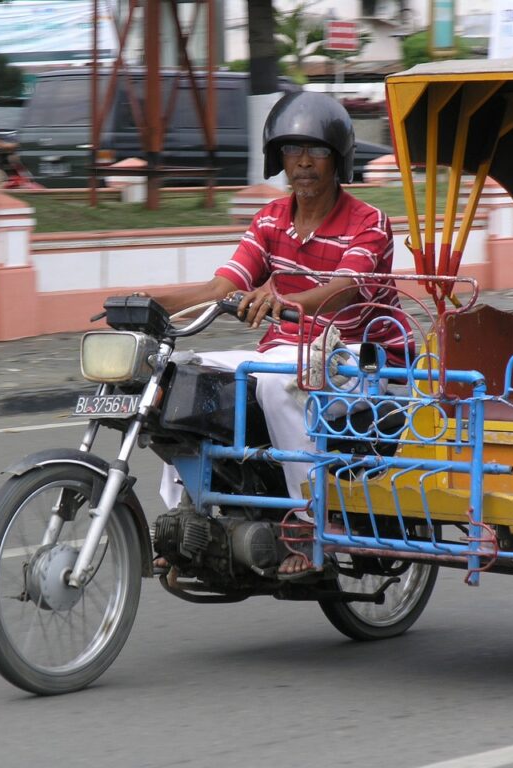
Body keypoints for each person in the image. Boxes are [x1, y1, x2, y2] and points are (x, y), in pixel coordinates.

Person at [134, 91, 410, 576]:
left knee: (273, 383)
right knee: (180, 378)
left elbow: (344, 289)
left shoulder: (369, 222)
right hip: (290, 354)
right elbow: (222, 287)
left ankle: (306, 522)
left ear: (338, 158)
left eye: (317, 151)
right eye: (292, 150)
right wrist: (148, 303)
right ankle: (185, 518)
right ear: (277, 157)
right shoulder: (270, 219)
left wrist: (285, 303)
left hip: (361, 362)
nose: (303, 163)